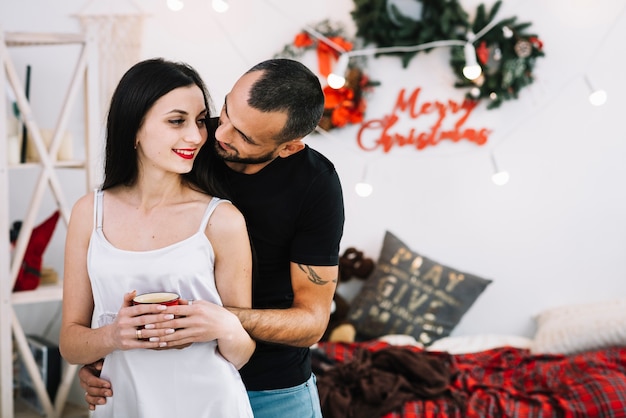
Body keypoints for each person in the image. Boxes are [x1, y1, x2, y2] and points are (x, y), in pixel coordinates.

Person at [79, 58, 345, 418]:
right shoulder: (193, 140)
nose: (220, 134)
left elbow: (312, 322)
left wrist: (216, 319)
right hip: (177, 386)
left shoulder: (316, 185)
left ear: (288, 147)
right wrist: (103, 354)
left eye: (244, 136)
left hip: (272, 387)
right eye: (226, 112)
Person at [59, 58, 255, 417]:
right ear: (133, 129)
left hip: (210, 403)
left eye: (199, 121)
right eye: (176, 121)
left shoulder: (222, 220)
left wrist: (224, 325)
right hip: (122, 403)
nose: (196, 137)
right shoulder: (90, 213)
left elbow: (240, 355)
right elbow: (70, 345)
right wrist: (112, 336)